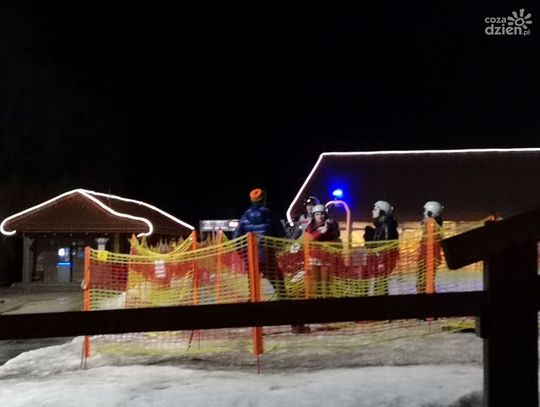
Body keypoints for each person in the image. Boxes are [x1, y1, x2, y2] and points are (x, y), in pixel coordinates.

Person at [362, 200, 399, 296]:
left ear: (382, 212)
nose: (372, 211)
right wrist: (369, 239)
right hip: (378, 262)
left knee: (380, 287)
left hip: (382, 262)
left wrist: (382, 262)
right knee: (378, 286)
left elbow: (386, 245)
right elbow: (376, 245)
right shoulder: (380, 226)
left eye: (375, 209)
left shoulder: (387, 226)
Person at [305, 204, 341, 299]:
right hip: (314, 258)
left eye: (322, 214)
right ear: (313, 216)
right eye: (317, 214)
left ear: (326, 214)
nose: (320, 216)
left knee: (326, 283)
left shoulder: (331, 224)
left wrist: (328, 228)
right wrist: (321, 232)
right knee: (316, 282)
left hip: (327, 258)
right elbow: (310, 238)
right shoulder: (310, 226)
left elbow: (336, 235)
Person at [416, 201, 444, 294]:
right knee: (426, 282)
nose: (424, 213)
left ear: (431, 213)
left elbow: (429, 244)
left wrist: (422, 258)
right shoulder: (435, 225)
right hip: (428, 258)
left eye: (425, 211)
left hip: (427, 259)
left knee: (425, 283)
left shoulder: (431, 224)